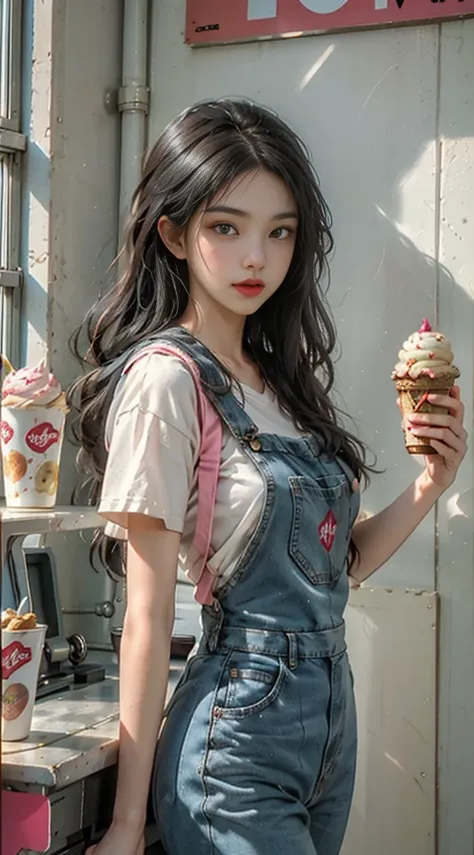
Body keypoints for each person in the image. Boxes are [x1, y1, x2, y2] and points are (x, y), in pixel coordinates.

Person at [71, 99, 467, 855]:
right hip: (236, 736)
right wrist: (127, 824)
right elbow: (150, 618)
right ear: (174, 233)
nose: (257, 256)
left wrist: (428, 485)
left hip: (327, 728)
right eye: (227, 227)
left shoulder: (281, 382)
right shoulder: (167, 381)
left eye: (279, 231)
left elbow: (334, 564)